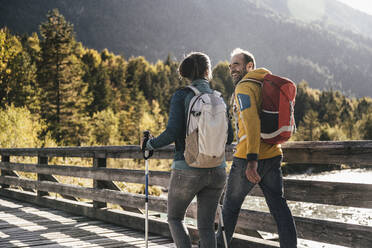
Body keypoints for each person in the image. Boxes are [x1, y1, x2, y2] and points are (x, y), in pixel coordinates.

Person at [145, 52, 233, 248]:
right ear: (207, 71)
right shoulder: (218, 98)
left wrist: (150, 144)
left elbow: (172, 132)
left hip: (187, 168)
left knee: (175, 218)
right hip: (217, 169)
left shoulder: (182, 95)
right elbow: (230, 137)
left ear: (185, 73)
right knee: (207, 227)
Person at [215, 48, 297, 247]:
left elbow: (251, 123)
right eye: (230, 65)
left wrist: (251, 161)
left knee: (229, 208)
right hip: (273, 155)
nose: (231, 68)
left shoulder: (244, 87)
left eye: (236, 64)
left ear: (249, 66)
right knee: (280, 209)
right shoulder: (264, 83)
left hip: (247, 159)